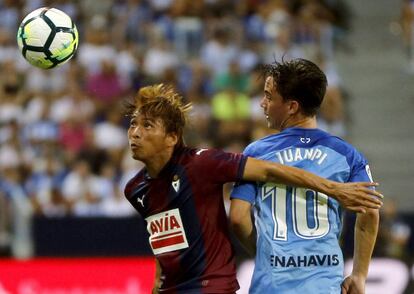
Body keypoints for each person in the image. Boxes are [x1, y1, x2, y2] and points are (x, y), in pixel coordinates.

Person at [123, 84, 382, 293]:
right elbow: (162, 245)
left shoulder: (203, 163)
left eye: (147, 126)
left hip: (210, 287)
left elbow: (270, 170)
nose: (135, 133)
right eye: (133, 124)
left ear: (172, 137)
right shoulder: (135, 189)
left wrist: (333, 189)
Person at [229, 59, 380, 294]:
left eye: (269, 96)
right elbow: (370, 211)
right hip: (324, 286)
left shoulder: (257, 153)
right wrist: (359, 274)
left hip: (271, 286)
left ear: (292, 107)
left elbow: (237, 218)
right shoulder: (347, 155)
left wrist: (263, 255)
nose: (262, 103)